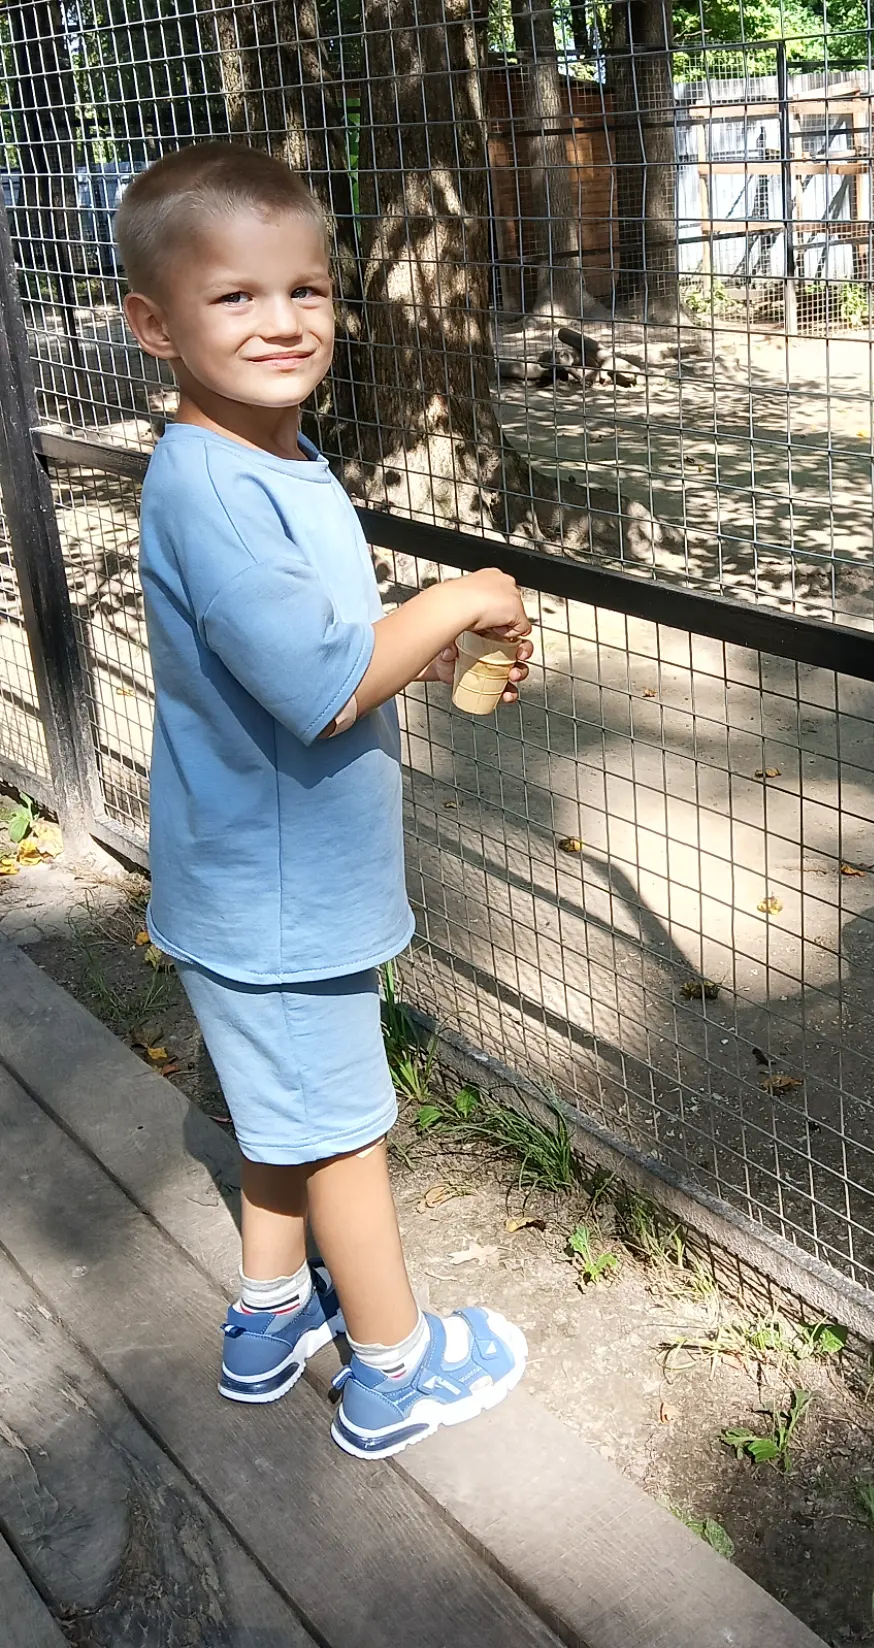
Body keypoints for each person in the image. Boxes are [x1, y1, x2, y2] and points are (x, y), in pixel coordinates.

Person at [117, 141, 532, 1458]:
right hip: (280, 895)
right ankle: (395, 1371)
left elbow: (330, 645)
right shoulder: (210, 485)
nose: (283, 320)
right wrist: (460, 597)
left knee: (287, 1109)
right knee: (344, 1128)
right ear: (153, 324)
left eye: (307, 290)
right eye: (235, 297)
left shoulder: (265, 462)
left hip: (267, 876)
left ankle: (268, 1315)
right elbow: (322, 684)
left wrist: (432, 644)